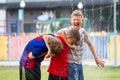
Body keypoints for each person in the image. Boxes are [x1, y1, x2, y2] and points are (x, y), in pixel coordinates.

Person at [57, 10, 105, 80]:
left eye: (78, 19)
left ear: (82, 20)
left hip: (79, 63)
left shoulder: (83, 31)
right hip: (70, 64)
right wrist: (69, 45)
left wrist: (96, 58)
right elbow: (59, 32)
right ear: (71, 20)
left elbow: (90, 44)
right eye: (74, 19)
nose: (76, 21)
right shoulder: (69, 30)